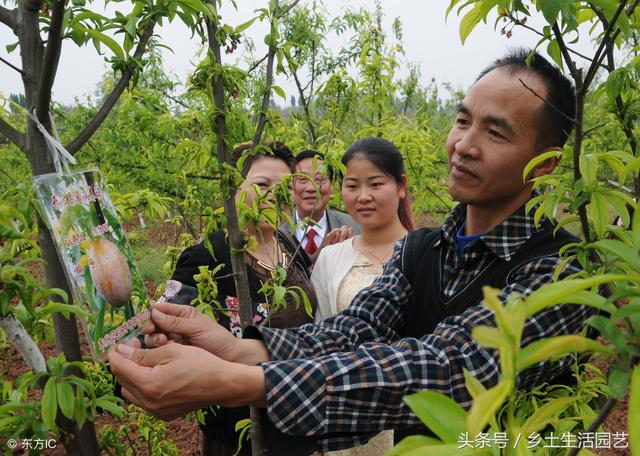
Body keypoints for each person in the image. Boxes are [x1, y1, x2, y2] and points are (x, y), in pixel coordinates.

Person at [108, 49, 591, 454]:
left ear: (544, 164)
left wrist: (242, 381)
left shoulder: (561, 270)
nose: (463, 144)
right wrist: (241, 349)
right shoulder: (422, 248)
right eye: (463, 120)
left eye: (496, 132)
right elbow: (354, 331)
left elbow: (447, 366)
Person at [160, 141, 318, 455]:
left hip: (299, 417)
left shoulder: (292, 249)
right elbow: (167, 329)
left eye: (286, 186)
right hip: (237, 432)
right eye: (262, 184)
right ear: (234, 189)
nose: (275, 194)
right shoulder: (208, 256)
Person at [311, 137, 416, 455]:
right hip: (350, 416)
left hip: (414, 412)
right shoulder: (331, 258)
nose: (363, 197)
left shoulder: (425, 254)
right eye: (352, 185)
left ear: (401, 186)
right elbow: (321, 339)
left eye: (375, 184)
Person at [282, 150, 361, 257]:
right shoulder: (278, 230)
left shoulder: (355, 227)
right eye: (302, 179)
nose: (311, 188)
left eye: (320, 179)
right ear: (291, 185)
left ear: (332, 185)